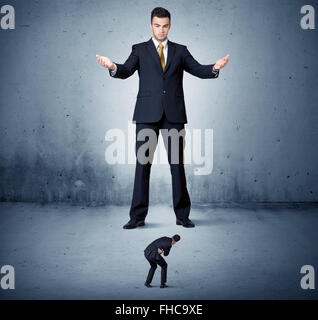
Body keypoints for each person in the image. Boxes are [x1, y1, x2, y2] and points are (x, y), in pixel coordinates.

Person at [96, 7, 229, 229]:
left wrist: (214, 68)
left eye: (165, 25)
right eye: (157, 25)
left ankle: (183, 216)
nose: (161, 30)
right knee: (142, 166)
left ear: (170, 26)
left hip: (174, 115)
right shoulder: (139, 49)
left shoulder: (180, 51)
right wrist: (112, 67)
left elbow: (198, 69)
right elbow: (126, 69)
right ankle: (137, 217)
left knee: (177, 166)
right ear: (151, 25)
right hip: (147, 115)